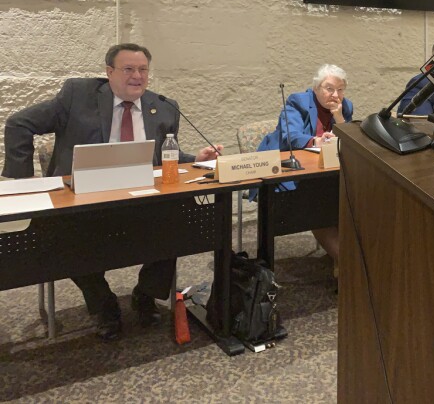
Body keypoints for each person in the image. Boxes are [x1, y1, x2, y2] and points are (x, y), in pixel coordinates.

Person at [2, 43, 222, 341]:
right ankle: (103, 305)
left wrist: (196, 159)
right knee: (64, 237)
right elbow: (19, 124)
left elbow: (163, 155)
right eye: (128, 69)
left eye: (143, 69)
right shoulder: (77, 96)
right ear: (109, 72)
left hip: (141, 197)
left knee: (177, 223)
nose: (137, 76)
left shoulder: (165, 106)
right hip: (84, 199)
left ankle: (145, 294)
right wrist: (21, 182)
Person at [258, 64, 353, 263]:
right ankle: (346, 264)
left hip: (326, 173)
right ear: (316, 88)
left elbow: (351, 141)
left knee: (349, 195)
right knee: (319, 202)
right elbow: (290, 137)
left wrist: (339, 117)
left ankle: (348, 258)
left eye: (340, 89)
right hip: (286, 169)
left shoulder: (345, 106)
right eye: (329, 88)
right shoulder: (298, 102)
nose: (335, 94)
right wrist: (316, 141)